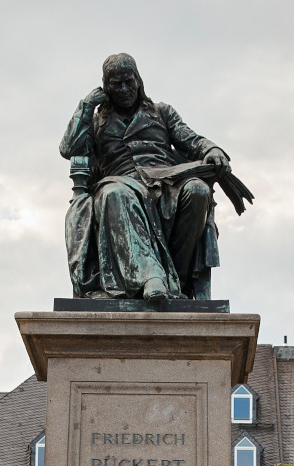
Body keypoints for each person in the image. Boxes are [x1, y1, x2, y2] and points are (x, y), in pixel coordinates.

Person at [59, 53, 250, 302]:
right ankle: (151, 277)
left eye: (129, 81)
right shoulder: (96, 122)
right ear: (106, 87)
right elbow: (68, 149)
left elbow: (190, 139)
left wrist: (211, 149)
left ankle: (176, 284)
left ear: (138, 80)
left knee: (198, 191)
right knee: (115, 194)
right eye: (116, 84)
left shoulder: (162, 112)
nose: (125, 89)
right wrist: (85, 107)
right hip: (122, 181)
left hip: (167, 182)